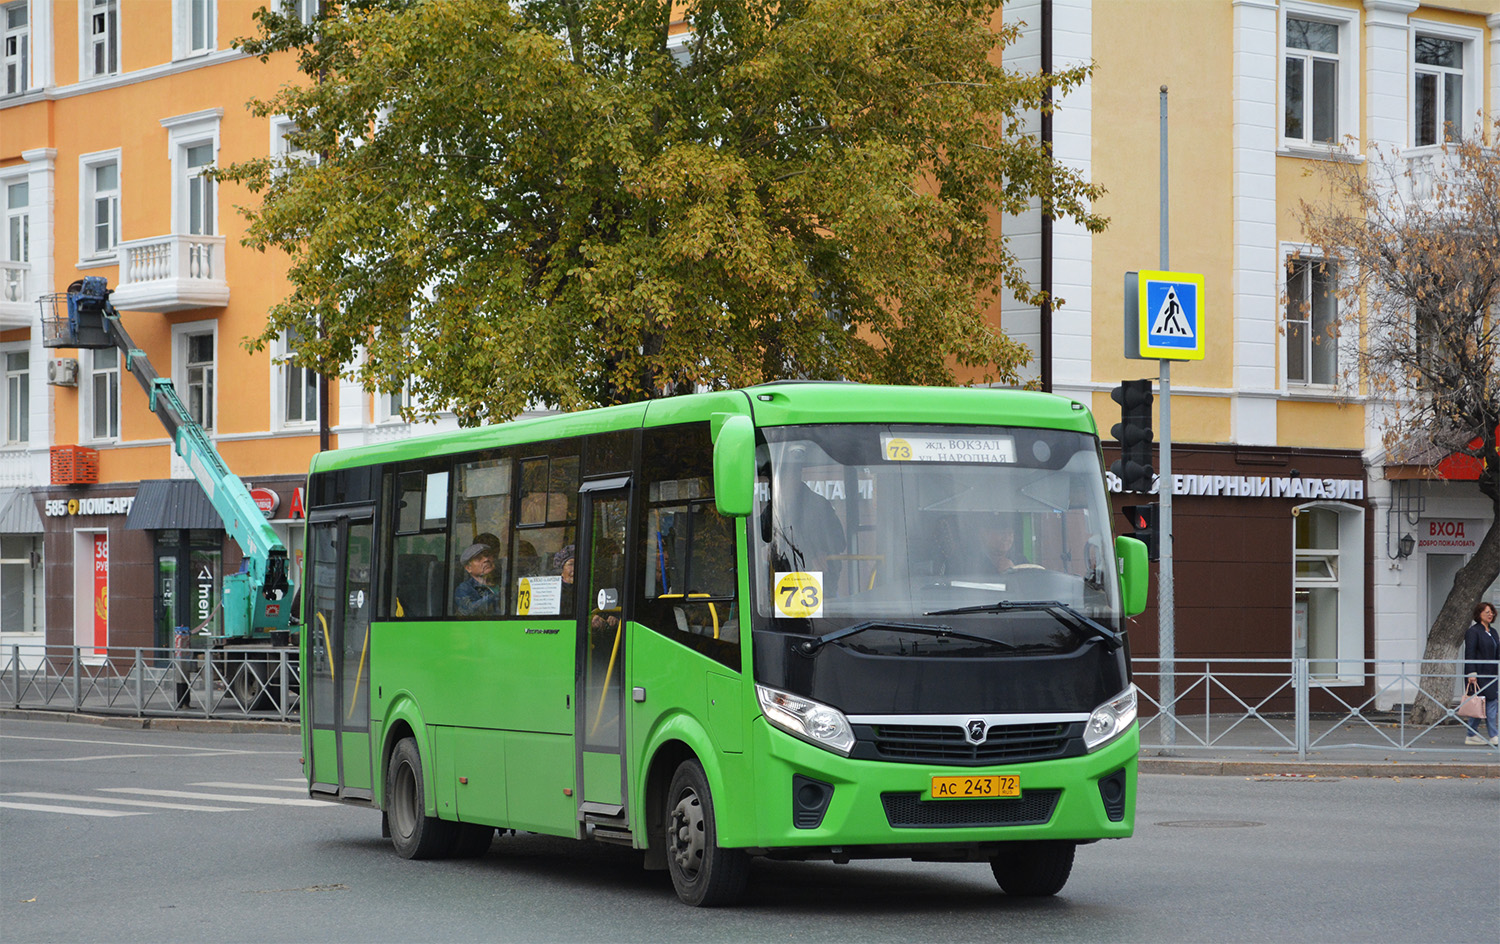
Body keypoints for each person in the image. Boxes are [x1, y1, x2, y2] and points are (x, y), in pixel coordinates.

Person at [1462, 601, 1499, 746]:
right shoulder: (1473, 631)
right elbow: (1469, 653)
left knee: (1481, 705)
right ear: (1479, 614)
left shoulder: (1493, 631)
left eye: (1492, 612)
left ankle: (1471, 735)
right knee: (1488, 703)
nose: (1490, 614)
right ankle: (1494, 735)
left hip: (1491, 674)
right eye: (1487, 612)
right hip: (1478, 674)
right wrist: (1471, 672)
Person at [454, 542, 501, 616]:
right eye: (479, 558)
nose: (486, 559)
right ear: (468, 568)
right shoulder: (464, 588)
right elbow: (469, 610)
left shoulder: (504, 581)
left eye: (488, 555)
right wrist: (500, 595)